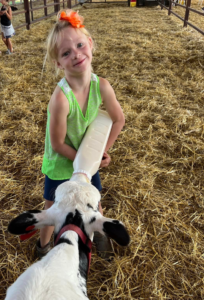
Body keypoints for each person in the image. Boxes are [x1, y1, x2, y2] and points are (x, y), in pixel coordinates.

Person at [37, 10, 125, 259]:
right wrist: (84, 162)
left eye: (80, 45)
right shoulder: (61, 99)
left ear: (91, 45)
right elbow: (56, 143)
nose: (76, 54)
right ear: (58, 63)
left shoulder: (102, 86)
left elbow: (118, 119)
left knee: (94, 199)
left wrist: (99, 154)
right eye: (66, 53)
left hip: (85, 158)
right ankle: (43, 246)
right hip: (62, 161)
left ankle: (99, 233)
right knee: (53, 206)